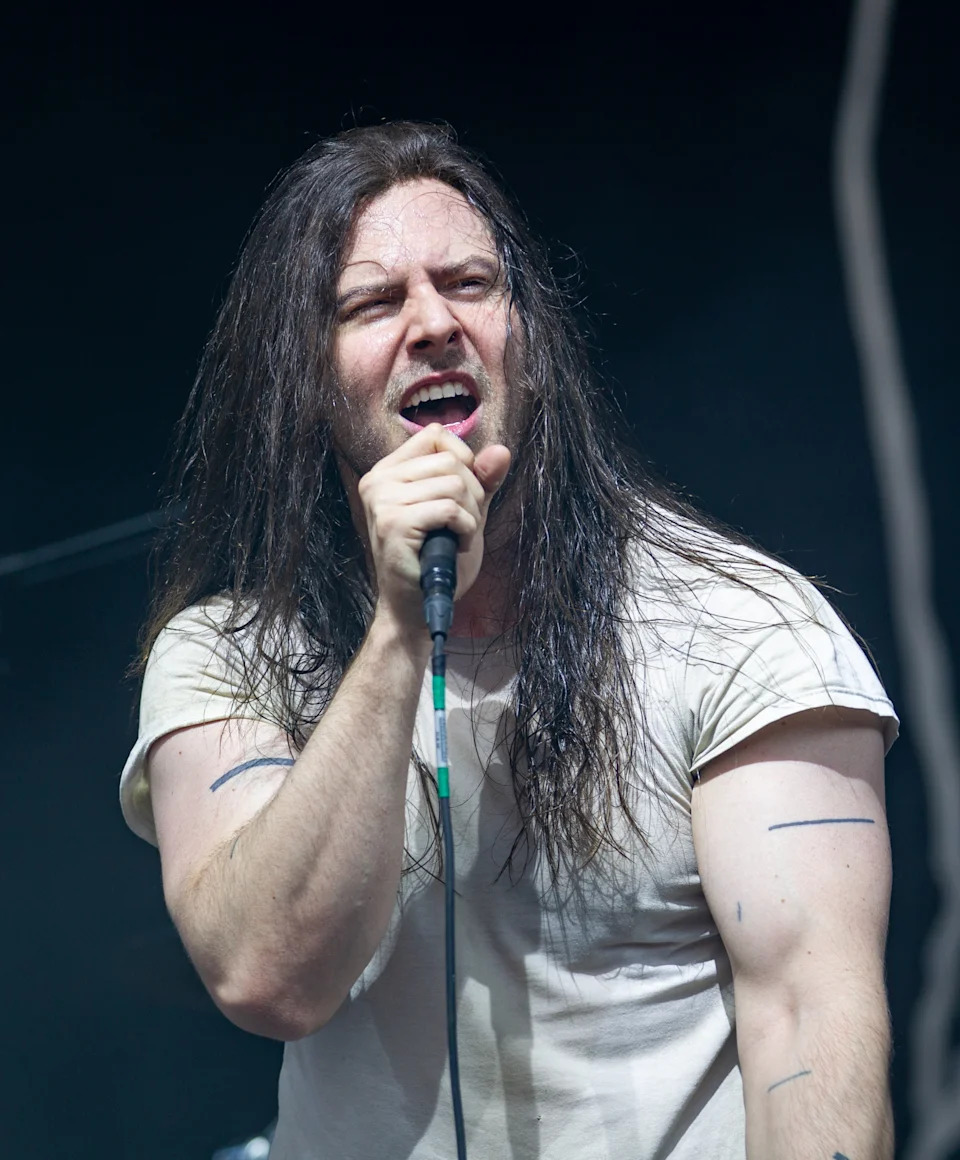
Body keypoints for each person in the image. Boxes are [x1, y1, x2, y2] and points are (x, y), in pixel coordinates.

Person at [120, 122, 897, 1159]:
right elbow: (269, 975)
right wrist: (401, 630)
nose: (434, 323)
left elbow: (811, 1025)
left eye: (470, 284)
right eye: (374, 302)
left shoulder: (741, 627)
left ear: (528, 339)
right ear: (306, 378)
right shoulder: (226, 654)